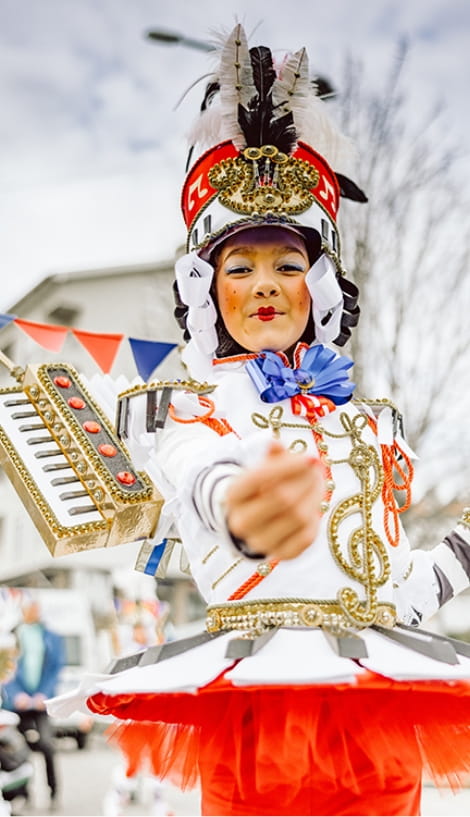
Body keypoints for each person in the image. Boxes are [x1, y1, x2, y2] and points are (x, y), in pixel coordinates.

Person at [48, 25, 470, 816]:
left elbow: (392, 588)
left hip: (380, 714)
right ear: (207, 291)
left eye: (287, 264)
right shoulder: (187, 407)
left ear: (320, 284)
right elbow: (202, 477)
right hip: (255, 719)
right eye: (238, 267)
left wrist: (459, 554)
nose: (264, 284)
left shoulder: (371, 425)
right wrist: (245, 505)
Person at [3, 598, 64, 807]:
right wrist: (16, 693)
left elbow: (55, 668)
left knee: (47, 745)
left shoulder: (51, 637)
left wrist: (43, 694)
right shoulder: (12, 635)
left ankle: (53, 792)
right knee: (19, 749)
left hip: (41, 702)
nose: (33, 612)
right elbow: (6, 667)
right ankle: (23, 793)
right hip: (17, 703)